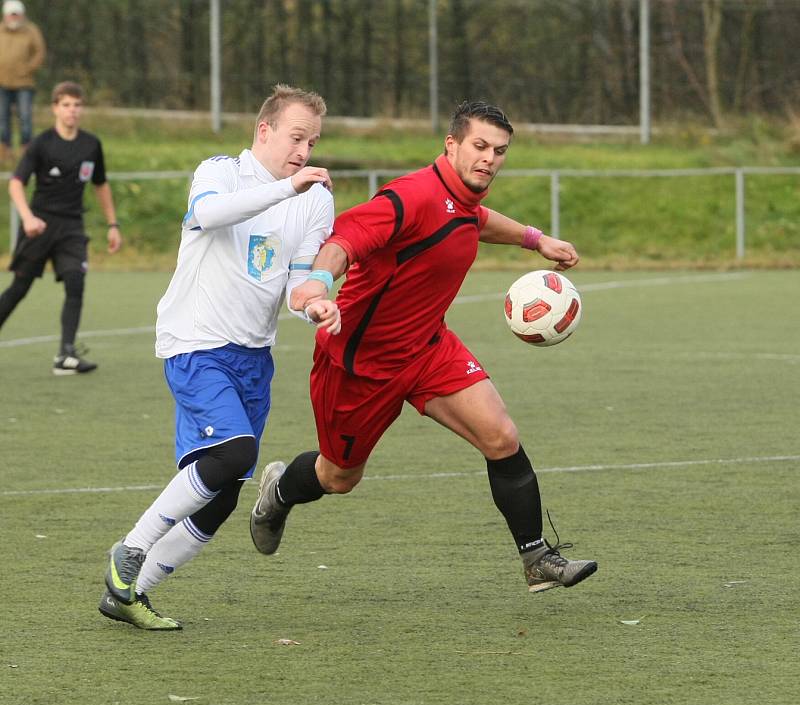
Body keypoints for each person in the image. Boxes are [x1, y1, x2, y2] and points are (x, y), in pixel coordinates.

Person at [250, 100, 598, 594]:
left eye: (499, 151)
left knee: (501, 436)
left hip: (429, 347)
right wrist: (317, 282)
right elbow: (347, 235)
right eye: (479, 146)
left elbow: (474, 220)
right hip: (360, 366)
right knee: (338, 476)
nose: (489, 158)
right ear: (451, 144)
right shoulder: (410, 196)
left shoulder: (463, 198)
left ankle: (536, 556)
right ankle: (281, 490)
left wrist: (534, 239)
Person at [99, 84, 340, 630]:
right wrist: (286, 189)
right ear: (265, 131)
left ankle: (129, 593)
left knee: (222, 497)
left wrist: (317, 306)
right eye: (296, 137)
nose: (304, 150)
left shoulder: (315, 198)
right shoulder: (219, 172)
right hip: (196, 341)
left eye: (313, 140)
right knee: (234, 453)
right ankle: (129, 551)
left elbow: (297, 282)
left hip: (253, 357)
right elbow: (210, 216)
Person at [0, 81, 122, 374]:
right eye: (66, 105)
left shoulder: (91, 145)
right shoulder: (42, 143)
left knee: (75, 282)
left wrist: (113, 224)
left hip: (72, 227)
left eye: (77, 105)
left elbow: (100, 185)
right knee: (19, 287)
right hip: (40, 225)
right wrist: (28, 218)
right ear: (55, 108)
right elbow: (16, 183)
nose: (72, 111)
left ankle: (65, 355)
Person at [0, 0, 46, 162]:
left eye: (16, 14)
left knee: (25, 118)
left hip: (24, 83)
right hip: (2, 82)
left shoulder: (31, 31)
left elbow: (39, 52)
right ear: (5, 15)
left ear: (22, 14)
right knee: (2, 119)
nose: (14, 17)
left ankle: (27, 151)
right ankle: (4, 152)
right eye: (11, 14)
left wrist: (27, 69)